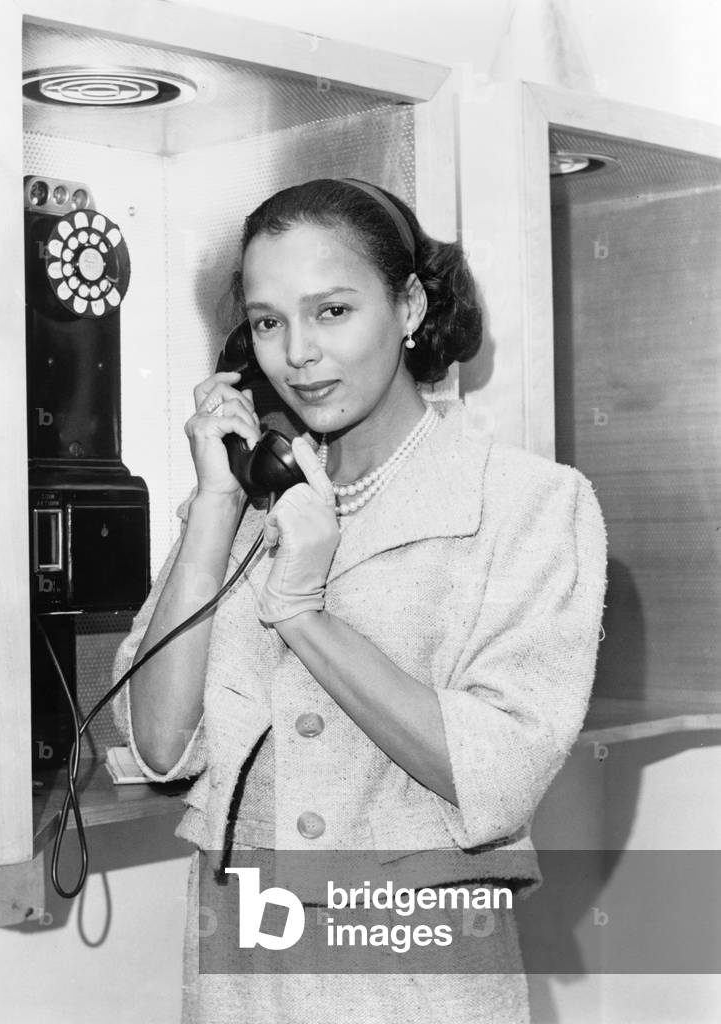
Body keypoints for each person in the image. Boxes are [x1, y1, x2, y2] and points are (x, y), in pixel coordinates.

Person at [112, 178, 608, 1023]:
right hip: (246, 977)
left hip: (415, 981)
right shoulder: (238, 506)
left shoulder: (528, 504)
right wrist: (220, 508)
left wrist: (303, 614)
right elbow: (158, 746)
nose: (296, 353)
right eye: (269, 322)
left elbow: (499, 772)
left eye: (332, 311)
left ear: (408, 305)